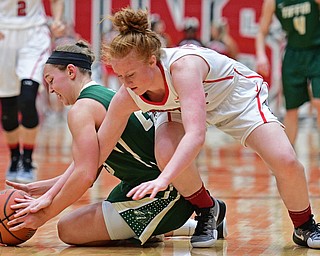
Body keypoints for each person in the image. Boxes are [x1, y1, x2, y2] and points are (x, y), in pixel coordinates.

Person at [85, 7, 317, 249]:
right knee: (165, 153)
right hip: (179, 104)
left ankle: (305, 226)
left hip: (234, 99)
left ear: (152, 61)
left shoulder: (183, 68)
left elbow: (196, 135)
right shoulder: (128, 92)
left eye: (130, 74)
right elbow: (96, 155)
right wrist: (52, 190)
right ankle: (208, 209)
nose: (125, 83)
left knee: (285, 160)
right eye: (120, 76)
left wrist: (164, 179)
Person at [6, 41, 226, 247]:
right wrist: (46, 189)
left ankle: (187, 222)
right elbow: (90, 164)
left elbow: (85, 175)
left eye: (51, 80)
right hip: (143, 186)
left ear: (71, 72)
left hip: (162, 192)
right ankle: (186, 226)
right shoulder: (107, 95)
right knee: (83, 227)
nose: (51, 89)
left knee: (68, 230)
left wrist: (43, 215)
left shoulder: (81, 110)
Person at [0, 0, 65, 183]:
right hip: (3, 33)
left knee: (27, 100)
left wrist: (57, 20)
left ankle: (27, 161)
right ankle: (14, 159)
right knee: (8, 106)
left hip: (33, 34)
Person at [255, 0, 320, 147]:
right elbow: (262, 31)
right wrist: (261, 55)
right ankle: (287, 157)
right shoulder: (272, 2)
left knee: (318, 102)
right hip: (293, 54)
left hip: (317, 50)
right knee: (291, 109)